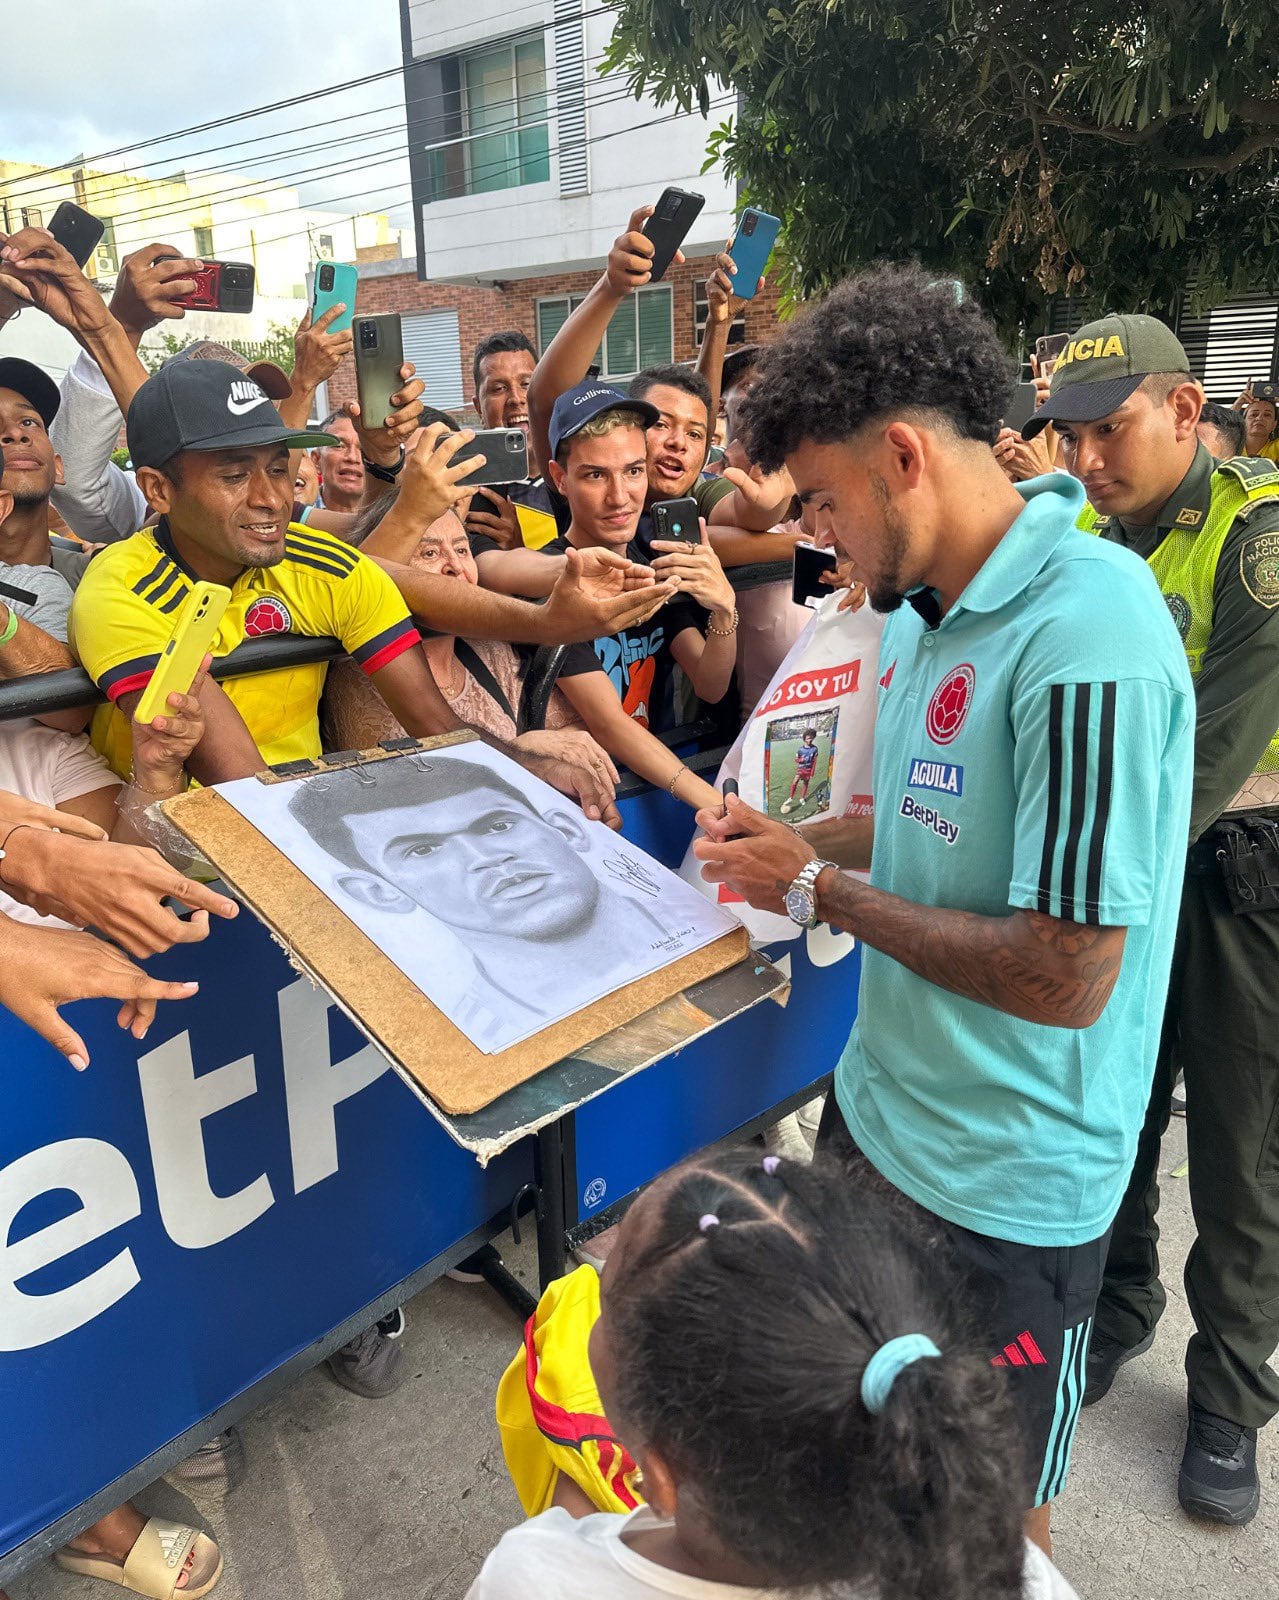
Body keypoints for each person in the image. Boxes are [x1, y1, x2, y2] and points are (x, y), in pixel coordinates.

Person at [693, 266, 1194, 1555]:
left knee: (989, 1518)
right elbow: (929, 827)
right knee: (869, 1446)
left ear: (903, 457)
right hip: (877, 1118)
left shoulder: (1091, 632)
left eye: (822, 500)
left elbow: (1063, 972)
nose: (817, 537)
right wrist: (793, 843)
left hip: (1009, 1187)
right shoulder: (922, 615)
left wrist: (814, 888)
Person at [1026, 314, 1279, 1525]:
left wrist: (1066, 887)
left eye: (1110, 430)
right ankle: (1118, 1307)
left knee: (1239, 1143)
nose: (1086, 459)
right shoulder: (1083, 534)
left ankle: (1229, 1391)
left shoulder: (1256, 533)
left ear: (1185, 410)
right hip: (1125, 868)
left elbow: (1212, 752)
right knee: (1116, 1109)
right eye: (1069, 435)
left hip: (1236, 877)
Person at [467, 1146, 1078, 1600]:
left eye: (605, 1302)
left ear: (660, 1477)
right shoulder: (1009, 1573)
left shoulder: (533, 1576)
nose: (592, 1306)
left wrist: (582, 1524)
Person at [286, 750, 714, 1052]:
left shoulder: (716, 922)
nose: (485, 858)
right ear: (379, 892)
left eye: (497, 826)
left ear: (567, 828)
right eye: (423, 850)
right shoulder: (466, 1044)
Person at [324, 507, 721, 812]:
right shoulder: (357, 676)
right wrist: (525, 747)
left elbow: (579, 730)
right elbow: (405, 795)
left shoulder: (490, 647)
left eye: (462, 549)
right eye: (429, 552)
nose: (455, 567)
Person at [478, 382, 738, 733]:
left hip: (658, 759)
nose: (619, 497)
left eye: (633, 471)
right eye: (596, 475)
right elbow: (611, 728)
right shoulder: (552, 581)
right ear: (560, 478)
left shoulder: (649, 564)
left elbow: (710, 685)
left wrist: (724, 609)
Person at [526, 208, 795, 548]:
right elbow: (544, 398)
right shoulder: (588, 490)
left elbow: (748, 511)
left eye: (695, 434)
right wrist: (612, 287)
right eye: (662, 424)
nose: (679, 443)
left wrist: (772, 501)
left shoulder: (699, 491)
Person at [311, 408, 366, 513]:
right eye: (339, 446)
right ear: (317, 460)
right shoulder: (292, 515)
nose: (352, 458)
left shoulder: (392, 516)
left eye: (365, 449)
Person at [1231, 384, 1279, 461]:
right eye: (1254, 414)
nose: (1259, 418)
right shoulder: (1229, 446)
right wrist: (1238, 404)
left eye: (1267, 415)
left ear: (1274, 424)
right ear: (1244, 421)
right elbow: (1219, 429)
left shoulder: (1276, 448)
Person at [781, 728, 818, 813]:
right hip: (801, 768)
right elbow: (796, 759)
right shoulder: (800, 749)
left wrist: (812, 772)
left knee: (805, 783)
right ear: (805, 739)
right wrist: (800, 760)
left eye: (811, 738)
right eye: (808, 738)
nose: (810, 740)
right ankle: (790, 798)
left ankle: (802, 798)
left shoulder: (815, 749)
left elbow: (814, 761)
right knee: (795, 781)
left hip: (808, 769)